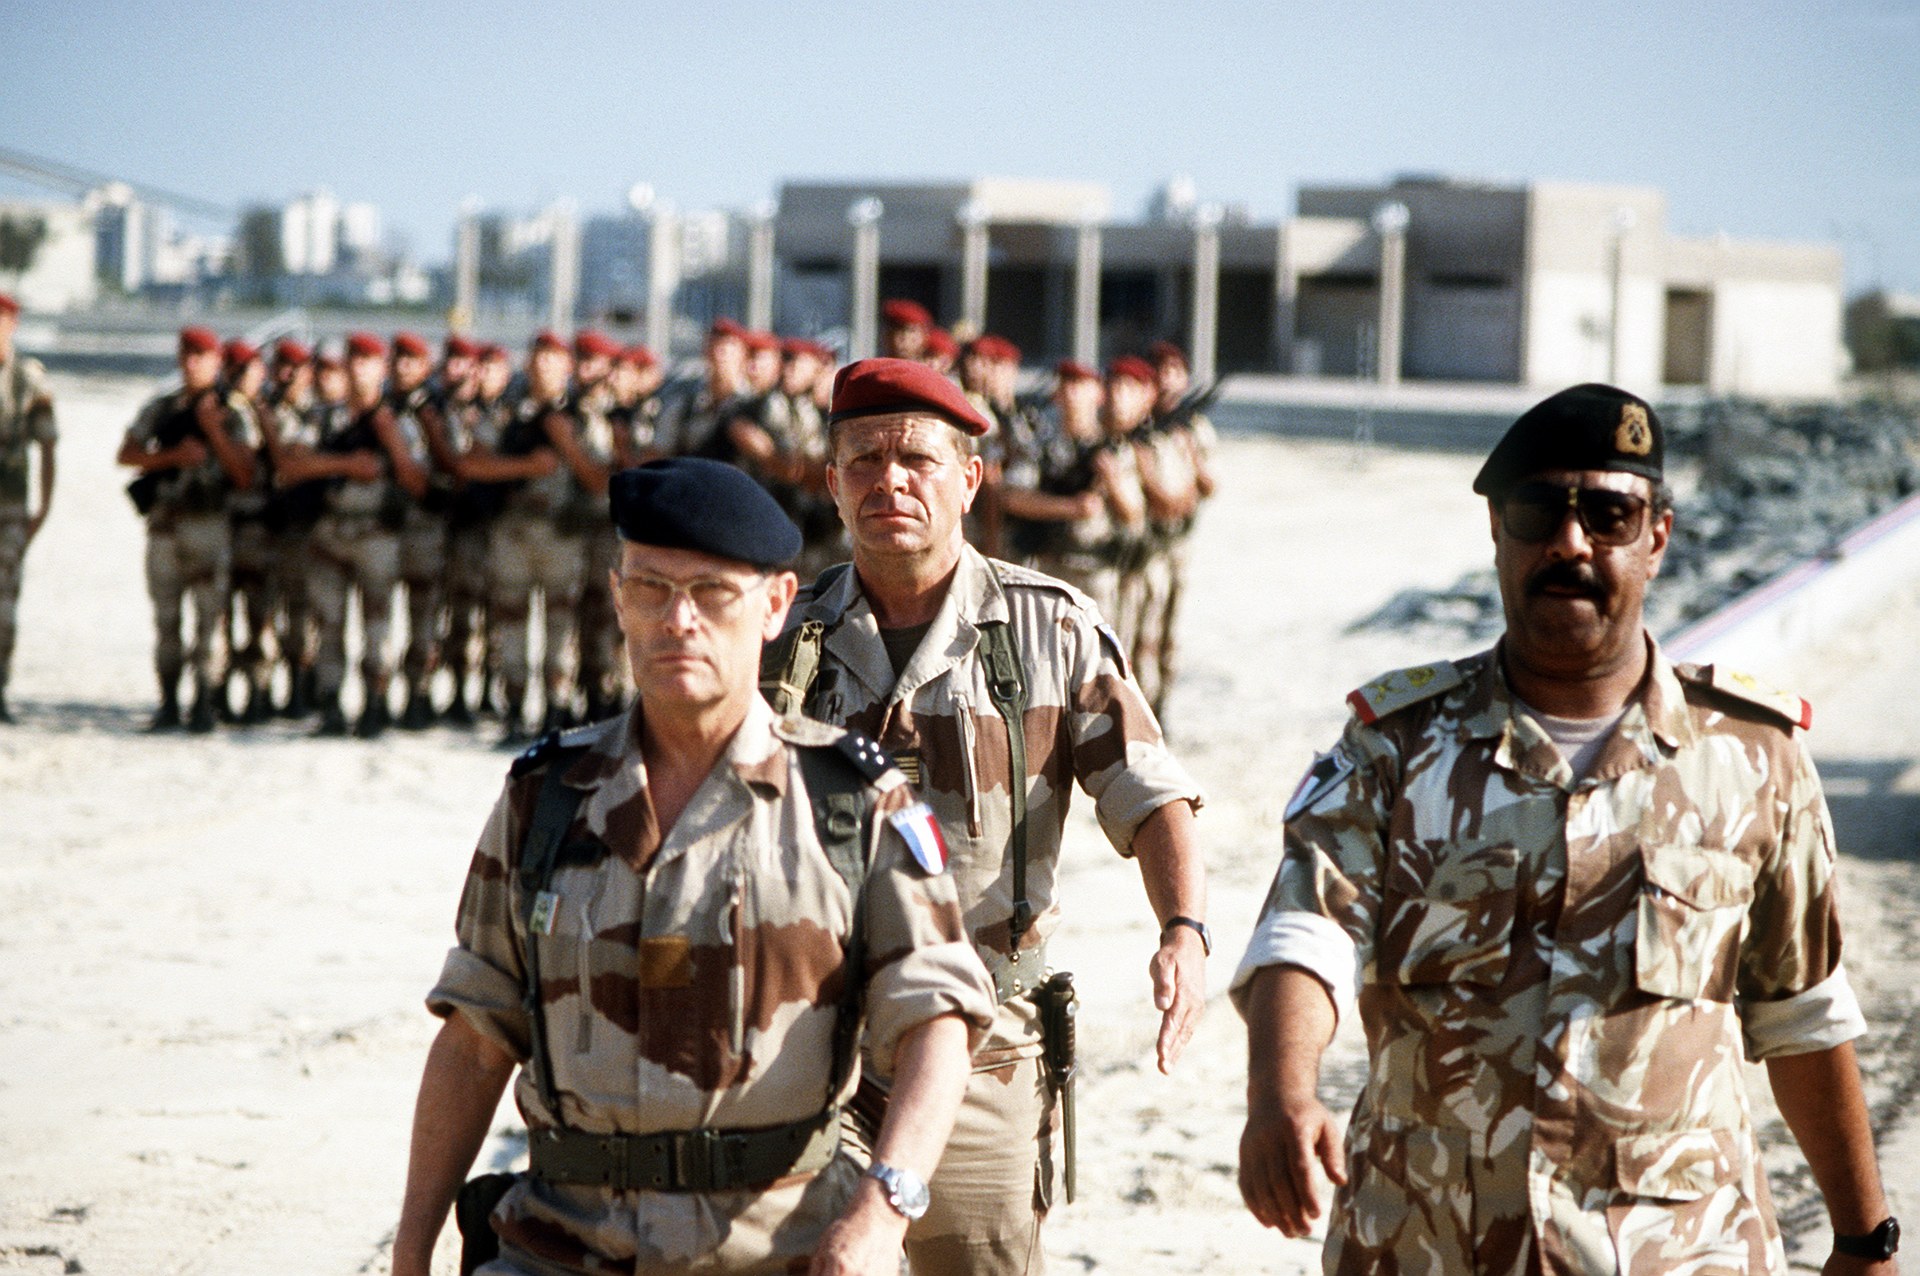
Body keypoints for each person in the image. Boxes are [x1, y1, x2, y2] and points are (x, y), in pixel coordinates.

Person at [1234, 383, 1902, 1275]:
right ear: (1498, 535)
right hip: (1428, 1243)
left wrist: (1865, 1238)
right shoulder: (1396, 746)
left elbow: (1803, 1012)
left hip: (1675, 1252)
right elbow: (1306, 929)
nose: (1571, 544)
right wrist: (1281, 1092)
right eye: (1539, 512)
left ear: (1657, 537)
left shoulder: (1752, 760)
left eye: (1609, 515)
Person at [392, 457, 995, 1276]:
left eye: (712, 593)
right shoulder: (548, 796)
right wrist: (412, 1245)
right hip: (561, 1247)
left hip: (781, 1250)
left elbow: (938, 1020)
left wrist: (885, 1210)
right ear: (616, 597)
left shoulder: (850, 804)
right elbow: (474, 1038)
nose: (679, 620)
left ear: (776, 605)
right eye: (650, 588)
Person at [763, 357, 1209, 1275]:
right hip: (807, 1040)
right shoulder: (785, 639)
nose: (890, 480)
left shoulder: (1049, 630)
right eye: (864, 460)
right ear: (832, 484)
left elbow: (1151, 792)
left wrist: (1184, 930)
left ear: (969, 479)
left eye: (918, 460)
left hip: (982, 1041)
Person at [276, 331, 427, 737]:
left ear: (382, 370)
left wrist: (392, 440)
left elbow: (417, 482)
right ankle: (330, 706)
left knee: (378, 627)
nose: (359, 369)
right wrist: (345, 464)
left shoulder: (399, 421)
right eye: (353, 361)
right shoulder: (325, 418)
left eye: (369, 361)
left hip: (377, 533)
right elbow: (290, 466)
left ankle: (374, 705)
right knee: (328, 625)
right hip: (330, 532)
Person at [118, 326, 257, 731]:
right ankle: (168, 701)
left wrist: (213, 430)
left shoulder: (232, 411)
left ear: (217, 362)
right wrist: (172, 456)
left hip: (207, 526)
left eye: (201, 355)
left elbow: (245, 474)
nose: (192, 363)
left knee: (209, 622)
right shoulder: (162, 408)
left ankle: (203, 702)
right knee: (166, 621)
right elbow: (126, 454)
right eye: (187, 355)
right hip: (164, 527)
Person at [0, 292, 55, 724]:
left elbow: (48, 446)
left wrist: (43, 507)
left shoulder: (28, 380)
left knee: (3, 604)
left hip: (11, 507)